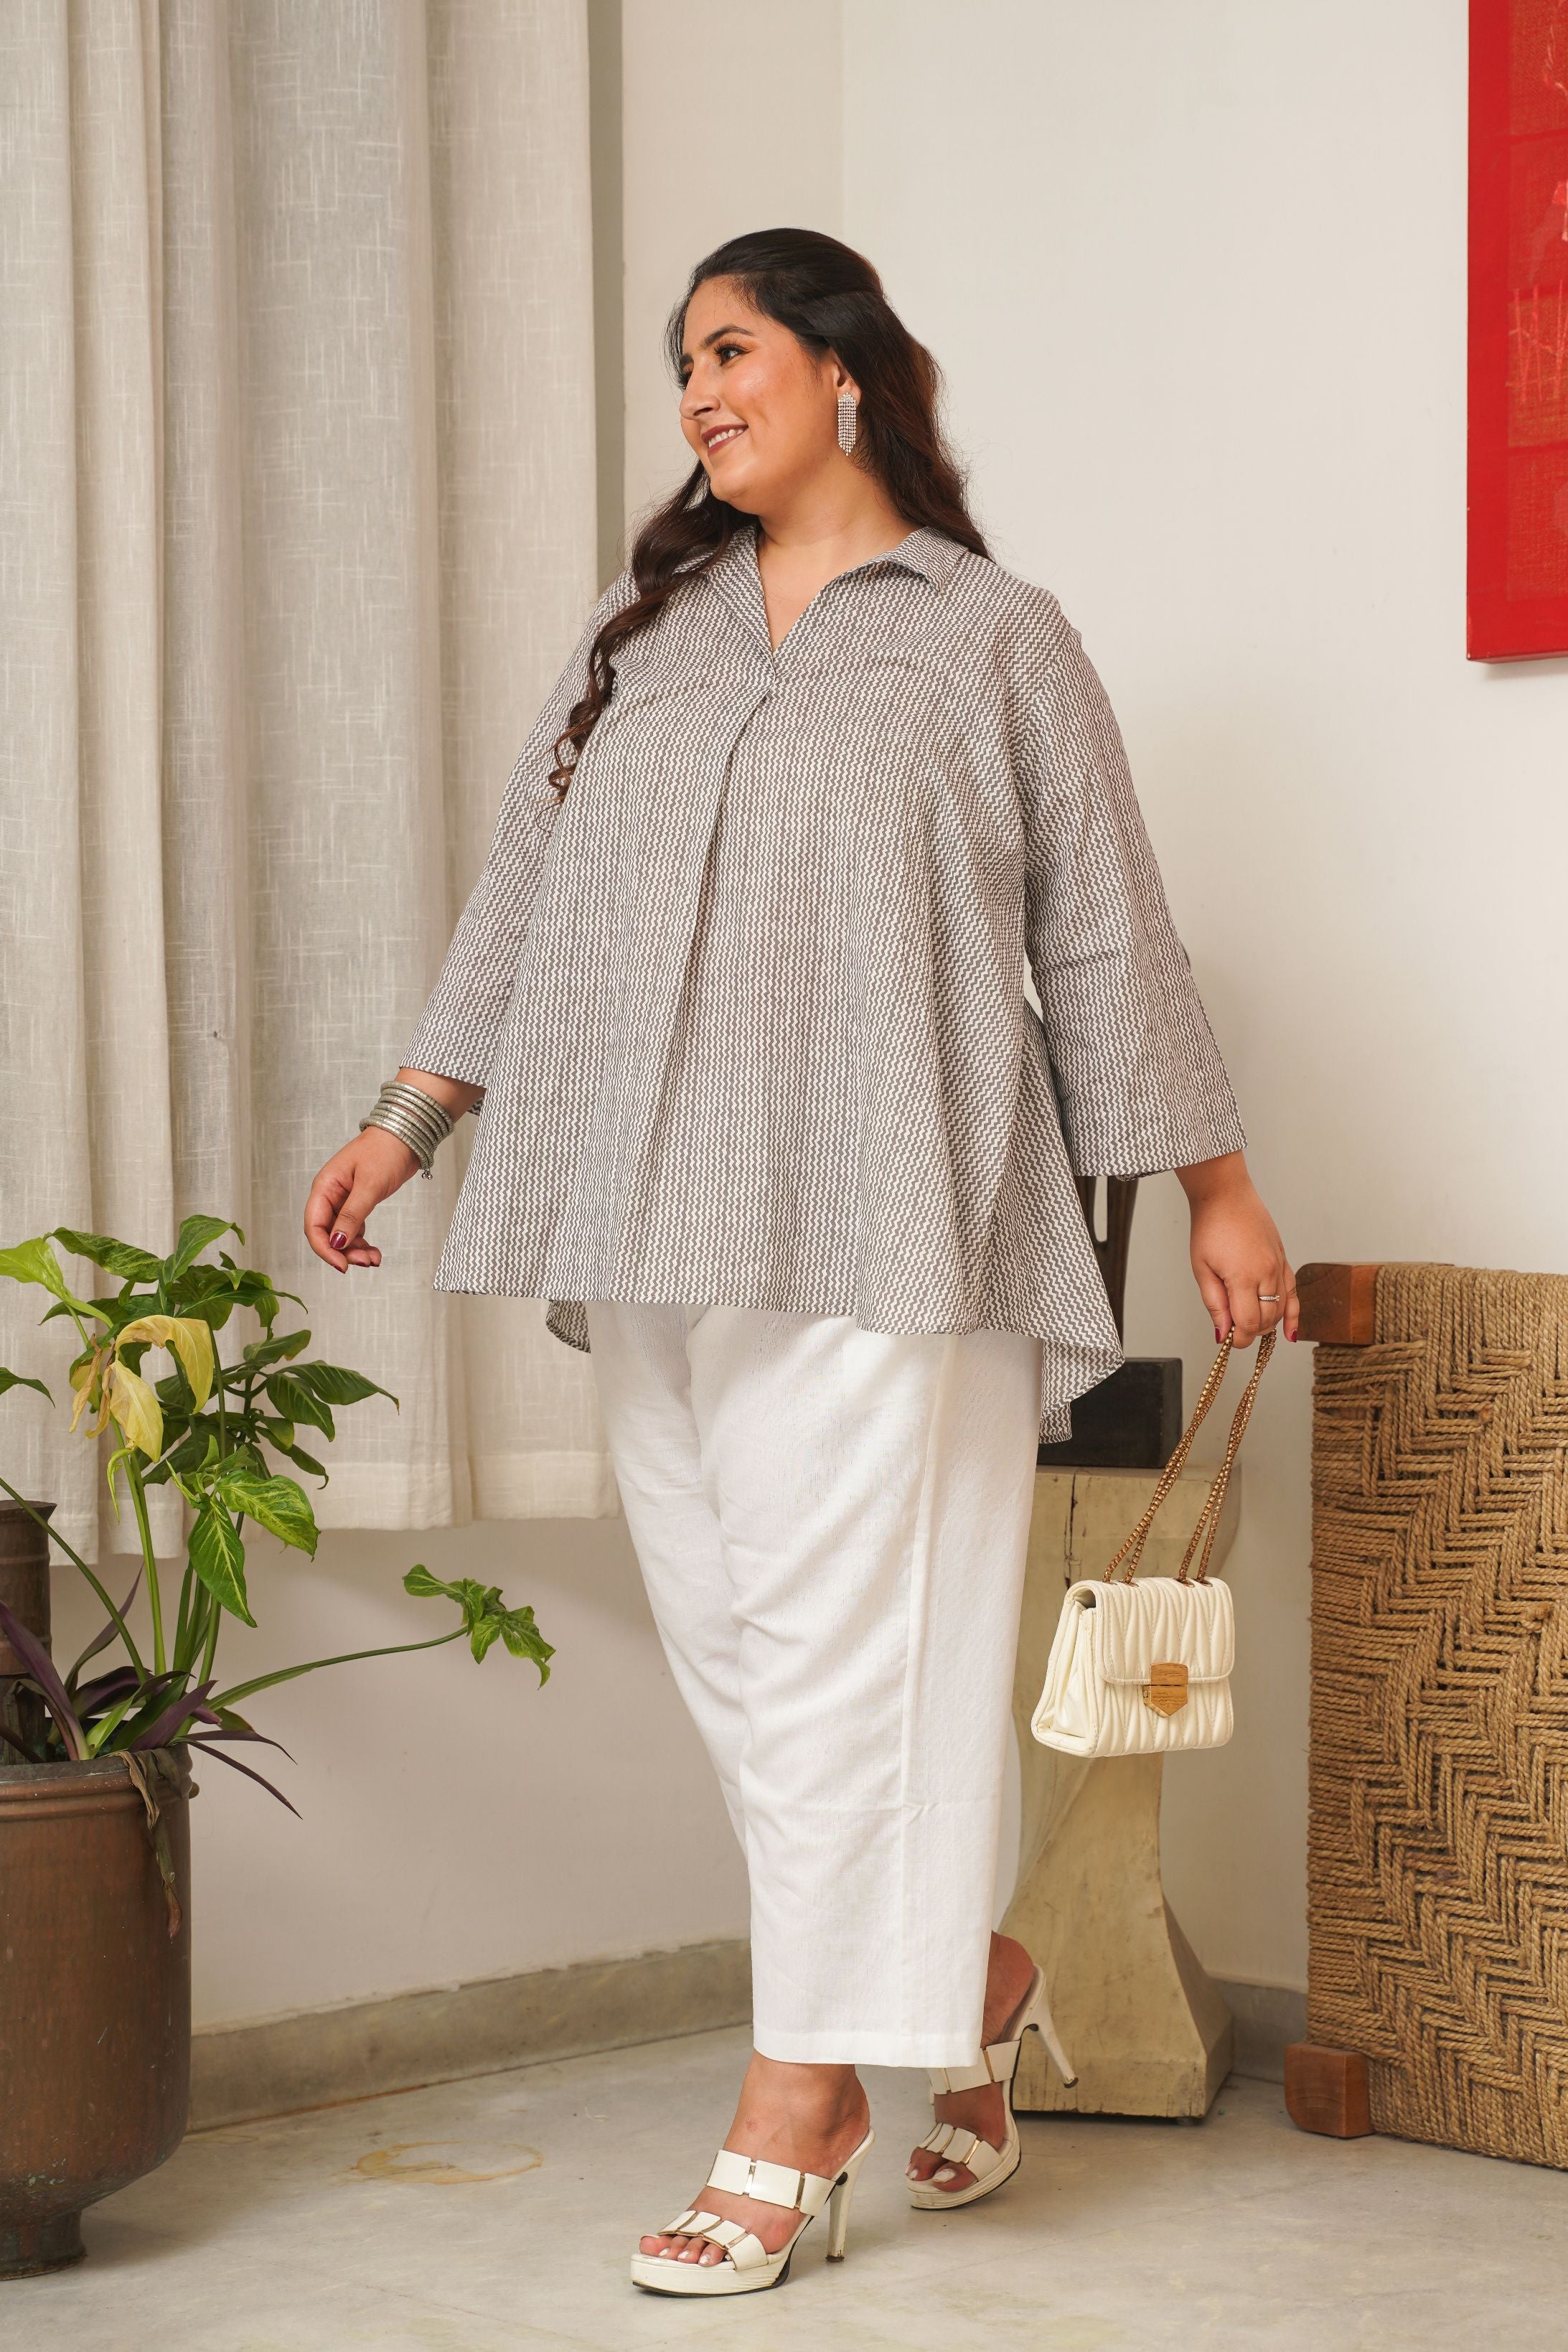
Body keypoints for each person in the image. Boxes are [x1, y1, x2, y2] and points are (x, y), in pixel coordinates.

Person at [304, 227, 1297, 2300]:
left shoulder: (991, 636)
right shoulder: (647, 633)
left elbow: (1106, 928)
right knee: (753, 1662)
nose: (696, 391)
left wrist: (1214, 1187)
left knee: (848, 1656)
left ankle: (797, 2105)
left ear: (846, 369)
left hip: (889, 1210)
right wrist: (411, 1117)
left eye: (732, 347)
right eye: (683, 361)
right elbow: (525, 888)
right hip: (643, 1209)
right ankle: (975, 1977)